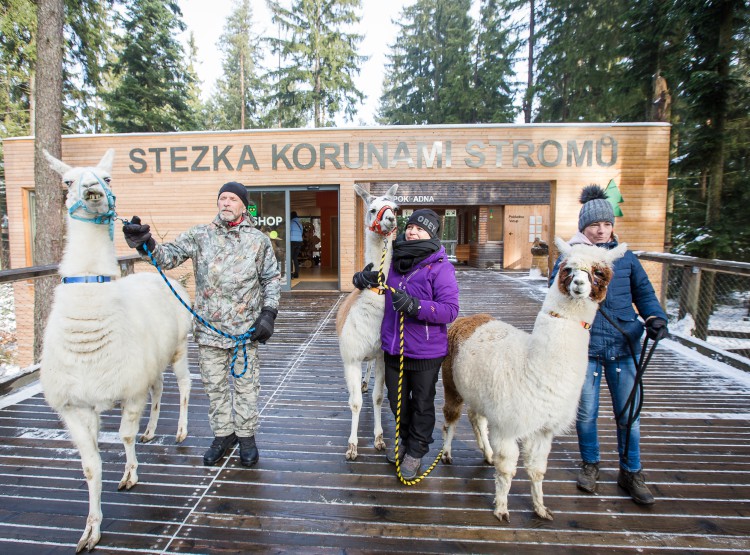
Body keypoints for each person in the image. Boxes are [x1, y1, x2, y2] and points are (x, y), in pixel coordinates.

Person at [122, 181, 281, 468]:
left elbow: (270, 279)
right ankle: (223, 435)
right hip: (209, 333)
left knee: (246, 388)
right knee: (215, 388)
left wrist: (269, 313)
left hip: (245, 332)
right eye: (222, 198)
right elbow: (168, 256)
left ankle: (246, 438)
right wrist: (146, 243)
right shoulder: (200, 235)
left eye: (232, 199)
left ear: (244, 205)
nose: (226, 203)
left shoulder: (259, 241)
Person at [550, 184, 668, 505]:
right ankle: (590, 465)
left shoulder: (626, 259)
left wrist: (655, 317)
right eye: (594, 225)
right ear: (583, 227)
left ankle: (631, 471)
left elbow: (643, 293)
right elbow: (555, 293)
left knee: (628, 414)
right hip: (584, 349)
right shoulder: (570, 257)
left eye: (606, 224)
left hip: (623, 347)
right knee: (587, 413)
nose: (602, 230)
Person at [353, 209, 459, 480]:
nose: (412, 232)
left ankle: (415, 449)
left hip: (426, 350)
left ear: (431, 234)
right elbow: (378, 285)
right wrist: (362, 281)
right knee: (397, 401)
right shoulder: (392, 259)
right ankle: (404, 439)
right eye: (410, 227)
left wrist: (416, 306)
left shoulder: (440, 267)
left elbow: (450, 310)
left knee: (422, 403)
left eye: (420, 229)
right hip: (394, 346)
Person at [289, 211, 303, 278]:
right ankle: (296, 273)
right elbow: (301, 232)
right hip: (299, 242)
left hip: (292, 242)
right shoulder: (300, 224)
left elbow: (288, 232)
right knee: (295, 258)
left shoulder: (291, 223)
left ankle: (291, 274)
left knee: (290, 258)